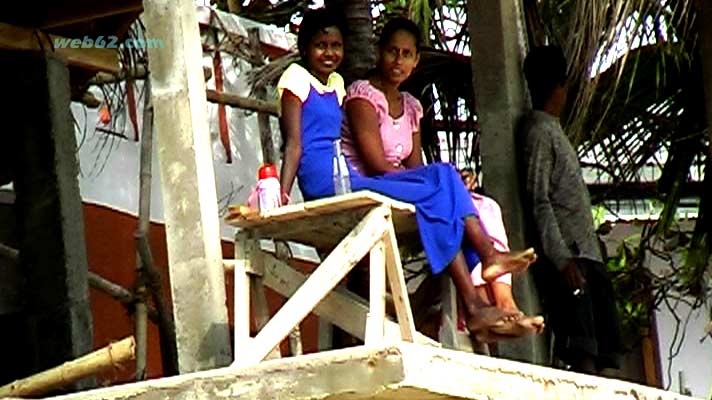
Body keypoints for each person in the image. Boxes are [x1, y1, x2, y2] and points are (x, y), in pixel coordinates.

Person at [277, 8, 536, 339]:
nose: (329, 53)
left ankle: (480, 304)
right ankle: (485, 271)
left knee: (444, 191)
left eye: (336, 45)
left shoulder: (337, 84)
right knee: (442, 182)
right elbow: (294, 144)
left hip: (345, 176)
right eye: (321, 45)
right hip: (329, 181)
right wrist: (282, 197)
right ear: (303, 46)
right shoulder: (296, 81)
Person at [520, 45, 622, 373]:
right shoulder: (539, 131)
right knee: (583, 350)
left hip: (587, 255)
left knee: (602, 346)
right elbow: (539, 200)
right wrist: (561, 259)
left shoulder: (552, 130)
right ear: (560, 86)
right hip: (571, 257)